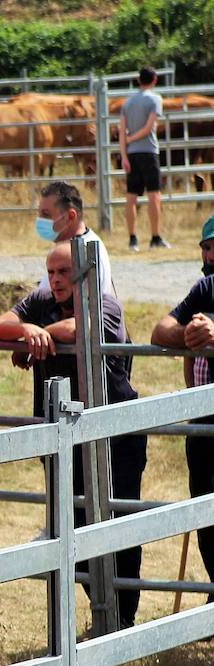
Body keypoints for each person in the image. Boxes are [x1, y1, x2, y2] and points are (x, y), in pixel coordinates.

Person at [0, 243, 146, 629]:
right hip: (62, 435)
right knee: (71, 523)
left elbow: (80, 328)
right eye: (51, 272)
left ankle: (122, 618)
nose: (55, 280)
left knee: (117, 523)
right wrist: (26, 330)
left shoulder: (105, 302)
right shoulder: (40, 301)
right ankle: (101, 612)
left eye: (64, 272)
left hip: (114, 437)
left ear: (84, 273)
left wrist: (35, 339)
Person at [151, 214, 214, 583]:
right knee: (204, 512)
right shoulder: (205, 289)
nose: (208, 253)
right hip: (203, 420)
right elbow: (161, 330)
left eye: (213, 246)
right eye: (205, 246)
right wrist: (190, 336)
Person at [36, 180, 116, 298]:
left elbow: (85, 313)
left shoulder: (84, 252)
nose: (39, 220)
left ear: (71, 216)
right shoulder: (76, 247)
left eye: (46, 215)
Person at [120, 67, 169, 251]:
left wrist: (124, 154)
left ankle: (132, 238)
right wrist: (133, 139)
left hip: (132, 155)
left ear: (138, 80)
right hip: (149, 151)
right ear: (154, 80)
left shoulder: (127, 103)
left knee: (131, 196)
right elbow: (149, 127)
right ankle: (155, 237)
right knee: (154, 195)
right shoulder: (155, 99)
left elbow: (122, 131)